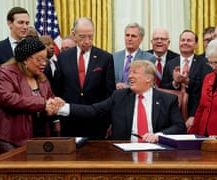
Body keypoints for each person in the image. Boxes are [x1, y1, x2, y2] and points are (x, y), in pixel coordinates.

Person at [57, 60, 187, 143]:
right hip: (124, 154)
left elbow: (180, 127)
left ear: (148, 78)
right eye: (129, 73)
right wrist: (63, 108)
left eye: (135, 73)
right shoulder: (119, 96)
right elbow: (93, 111)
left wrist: (159, 136)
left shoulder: (168, 99)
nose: (129, 76)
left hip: (158, 153)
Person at [0, 38, 62, 158]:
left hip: (37, 133)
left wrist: (56, 103)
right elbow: (7, 98)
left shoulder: (41, 75)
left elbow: (49, 97)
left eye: (45, 59)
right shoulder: (5, 72)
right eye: (39, 59)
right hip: (8, 135)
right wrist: (43, 104)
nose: (44, 63)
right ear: (25, 59)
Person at [55, 17, 116, 139]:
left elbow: (110, 93)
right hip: (69, 121)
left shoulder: (105, 58)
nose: (87, 41)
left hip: (97, 122)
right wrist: (56, 120)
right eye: (82, 37)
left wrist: (111, 121)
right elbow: (57, 90)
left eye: (90, 36)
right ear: (74, 35)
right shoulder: (63, 58)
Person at [160, 30, 212, 130]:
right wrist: (175, 83)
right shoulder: (170, 63)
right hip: (173, 115)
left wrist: (187, 82)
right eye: (182, 40)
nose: (185, 43)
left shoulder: (205, 63)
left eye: (189, 40)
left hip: (195, 114)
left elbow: (205, 90)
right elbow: (163, 89)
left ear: (196, 44)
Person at [0, 6, 30, 75]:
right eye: (21, 22)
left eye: (27, 23)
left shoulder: (34, 47)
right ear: (9, 23)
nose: (25, 27)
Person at [114, 22, 155, 89]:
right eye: (127, 35)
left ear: (141, 40)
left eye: (133, 36)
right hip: (115, 96)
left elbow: (147, 83)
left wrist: (127, 87)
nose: (129, 39)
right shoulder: (114, 57)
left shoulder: (148, 59)